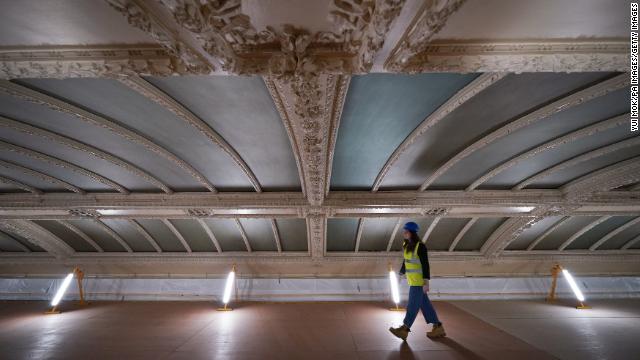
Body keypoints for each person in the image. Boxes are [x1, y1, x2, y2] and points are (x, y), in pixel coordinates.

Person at [389, 221, 445, 341]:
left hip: (419, 283)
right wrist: (400, 274)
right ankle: (438, 326)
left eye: (406, 231)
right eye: (404, 231)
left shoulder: (421, 246)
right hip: (413, 281)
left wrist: (426, 281)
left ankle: (405, 329)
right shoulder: (406, 245)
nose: (404, 233)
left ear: (412, 233)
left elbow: (425, 265)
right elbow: (406, 261)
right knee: (425, 305)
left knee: (412, 306)